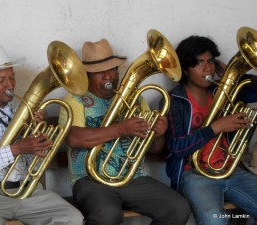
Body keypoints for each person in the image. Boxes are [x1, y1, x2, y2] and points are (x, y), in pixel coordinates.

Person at [58, 38, 191, 225]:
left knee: (178, 208)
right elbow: (73, 138)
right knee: (107, 215)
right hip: (90, 181)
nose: (107, 76)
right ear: (87, 75)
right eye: (99, 72)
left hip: (134, 179)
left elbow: (153, 149)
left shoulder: (135, 99)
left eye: (112, 69)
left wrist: (159, 134)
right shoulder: (74, 100)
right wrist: (121, 128)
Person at [0, 45, 84, 225]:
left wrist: (40, 141)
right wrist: (17, 148)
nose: (10, 85)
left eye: (12, 77)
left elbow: (36, 165)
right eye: (1, 80)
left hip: (28, 190)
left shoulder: (22, 109)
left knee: (73, 218)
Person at [164, 35, 257, 225]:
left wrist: (233, 76)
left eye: (210, 62)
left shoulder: (224, 91)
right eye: (199, 63)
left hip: (231, 170)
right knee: (215, 220)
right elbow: (177, 147)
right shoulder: (174, 100)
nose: (207, 68)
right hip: (194, 175)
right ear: (185, 69)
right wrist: (216, 127)